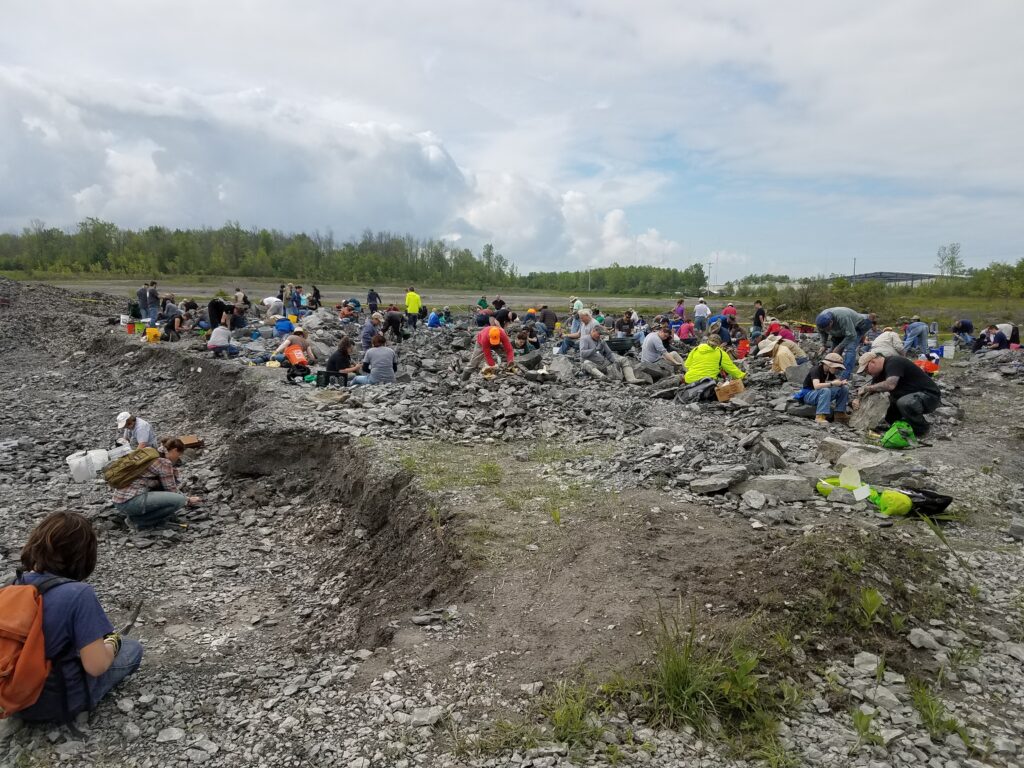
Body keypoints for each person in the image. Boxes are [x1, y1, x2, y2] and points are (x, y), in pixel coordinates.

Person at [11, 512, 144, 723]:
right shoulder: (79, 593)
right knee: (132, 648)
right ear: (84, 555)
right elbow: (96, 666)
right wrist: (113, 644)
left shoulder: (15, 583)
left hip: (14, 698)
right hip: (57, 703)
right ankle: (80, 705)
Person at [112, 437, 201, 528]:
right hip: (130, 502)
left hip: (120, 500)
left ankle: (142, 516)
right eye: (179, 455)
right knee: (179, 500)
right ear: (175, 450)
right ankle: (137, 521)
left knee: (164, 492)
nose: (178, 458)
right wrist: (188, 500)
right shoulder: (164, 462)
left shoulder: (152, 453)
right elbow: (171, 490)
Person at [857, 350, 942, 437]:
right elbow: (871, 391)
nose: (867, 373)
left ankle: (922, 430)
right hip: (912, 397)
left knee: (905, 403)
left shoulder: (894, 362)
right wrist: (857, 400)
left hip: (929, 396)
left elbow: (890, 385)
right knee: (888, 403)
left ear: (873, 362)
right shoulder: (879, 373)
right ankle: (899, 426)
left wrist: (867, 388)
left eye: (866, 369)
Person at [816, 307, 873, 379]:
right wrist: (823, 345)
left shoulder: (842, 317)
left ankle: (845, 376)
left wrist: (839, 347)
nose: (827, 330)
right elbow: (822, 333)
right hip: (842, 329)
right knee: (833, 352)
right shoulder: (819, 322)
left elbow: (851, 335)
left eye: (828, 328)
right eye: (825, 329)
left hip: (861, 324)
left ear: (831, 322)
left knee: (850, 348)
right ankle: (830, 374)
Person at [798, 352, 850, 424]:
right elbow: (816, 386)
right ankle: (820, 416)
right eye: (836, 367)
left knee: (844, 388)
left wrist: (840, 383)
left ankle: (839, 413)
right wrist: (832, 383)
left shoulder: (829, 372)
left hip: (818, 394)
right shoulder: (816, 370)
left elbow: (835, 381)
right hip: (808, 394)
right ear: (828, 365)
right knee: (825, 390)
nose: (837, 369)